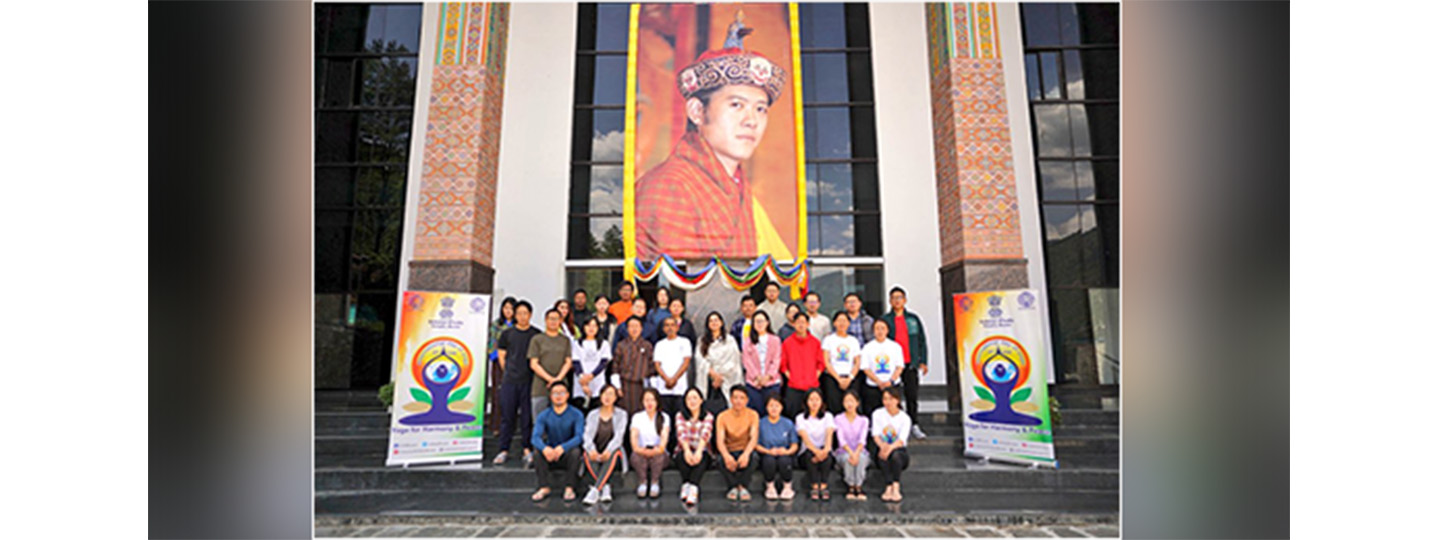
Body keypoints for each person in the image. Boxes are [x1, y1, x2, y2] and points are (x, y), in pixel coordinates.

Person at [633, 22, 792, 260]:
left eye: (760, 109)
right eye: (736, 105)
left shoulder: (739, 186)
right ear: (697, 111)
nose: (752, 121)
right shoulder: (666, 186)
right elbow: (678, 276)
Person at [494, 301, 540, 467]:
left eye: (525, 313)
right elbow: (501, 356)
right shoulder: (507, 334)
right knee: (507, 416)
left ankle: (527, 449)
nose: (522, 316)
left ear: (530, 315)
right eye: (519, 313)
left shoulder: (536, 334)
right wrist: (509, 372)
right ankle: (503, 449)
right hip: (510, 381)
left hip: (529, 381)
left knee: (527, 417)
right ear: (514, 315)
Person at [880, 286, 929, 439]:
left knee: (911, 395)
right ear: (890, 301)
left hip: (910, 363)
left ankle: (913, 424)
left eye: (899, 297)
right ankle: (893, 425)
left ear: (905, 300)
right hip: (892, 366)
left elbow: (921, 340)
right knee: (893, 396)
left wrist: (923, 360)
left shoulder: (913, 319)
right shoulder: (886, 320)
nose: (897, 300)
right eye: (894, 298)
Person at [530, 382, 585, 502]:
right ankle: (544, 487)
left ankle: (570, 487)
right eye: (555, 393)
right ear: (550, 396)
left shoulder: (576, 414)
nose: (558, 396)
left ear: (568, 395)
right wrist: (545, 449)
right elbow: (535, 437)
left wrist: (562, 448)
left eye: (562, 393)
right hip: (550, 455)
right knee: (537, 452)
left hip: (567, 455)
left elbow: (579, 437)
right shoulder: (544, 415)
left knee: (576, 452)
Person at [582, 385, 628, 505]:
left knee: (614, 452)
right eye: (605, 394)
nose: (607, 397)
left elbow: (619, 437)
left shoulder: (621, 414)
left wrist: (608, 450)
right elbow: (587, 436)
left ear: (616, 397)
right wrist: (592, 450)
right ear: (600, 396)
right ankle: (604, 487)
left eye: (611, 394)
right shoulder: (593, 414)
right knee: (586, 453)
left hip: (613, 452)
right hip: (596, 450)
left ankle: (595, 490)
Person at [715, 385, 760, 501]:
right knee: (720, 460)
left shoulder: (753, 415)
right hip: (730, 450)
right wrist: (726, 456)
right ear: (730, 399)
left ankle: (742, 486)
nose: (738, 401)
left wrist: (745, 454)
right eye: (735, 398)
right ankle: (733, 486)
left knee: (754, 457)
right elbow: (720, 440)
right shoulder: (722, 416)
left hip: (745, 449)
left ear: (747, 400)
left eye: (742, 398)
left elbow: (753, 438)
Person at [529, 309, 574, 423]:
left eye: (556, 319)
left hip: (561, 387)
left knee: (560, 423)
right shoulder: (537, 339)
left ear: (560, 321)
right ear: (545, 320)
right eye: (551, 319)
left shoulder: (565, 340)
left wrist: (557, 380)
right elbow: (533, 364)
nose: (553, 322)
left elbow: (568, 362)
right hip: (540, 387)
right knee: (539, 421)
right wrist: (550, 379)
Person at [673, 387, 714, 507]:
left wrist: (698, 452)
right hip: (684, 449)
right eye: (689, 398)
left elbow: (706, 435)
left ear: (701, 400)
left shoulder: (708, 416)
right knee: (682, 458)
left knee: (700, 460)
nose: (692, 401)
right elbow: (681, 434)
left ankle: (693, 488)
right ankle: (686, 485)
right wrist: (687, 451)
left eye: (695, 398)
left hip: (703, 450)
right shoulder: (680, 415)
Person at [871, 386, 912, 502]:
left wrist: (889, 448)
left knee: (895, 455)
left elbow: (901, 440)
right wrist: (883, 446)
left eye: (891, 399)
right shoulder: (877, 414)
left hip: (898, 449)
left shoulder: (905, 418)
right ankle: (888, 486)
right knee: (882, 454)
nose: (888, 402)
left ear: (897, 400)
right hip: (882, 446)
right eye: (885, 399)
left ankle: (896, 485)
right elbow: (876, 435)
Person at [696, 311, 744, 410]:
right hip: (709, 381)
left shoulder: (730, 340)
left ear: (721, 323)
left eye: (716, 320)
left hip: (726, 379)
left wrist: (720, 376)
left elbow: (734, 361)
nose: (714, 323)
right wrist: (713, 374)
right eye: (711, 321)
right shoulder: (702, 341)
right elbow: (699, 360)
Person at [780, 312, 823, 418]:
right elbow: (783, 364)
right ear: (793, 324)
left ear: (808, 324)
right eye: (798, 322)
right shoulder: (787, 343)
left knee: (812, 416)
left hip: (812, 386)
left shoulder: (815, 342)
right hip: (794, 386)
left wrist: (814, 377)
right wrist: (791, 377)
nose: (801, 325)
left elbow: (821, 364)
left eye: (803, 322)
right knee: (792, 415)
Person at [629, 389, 671, 499]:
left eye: (652, 400)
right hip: (641, 451)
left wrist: (654, 451)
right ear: (642, 402)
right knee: (636, 457)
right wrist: (642, 451)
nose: (649, 403)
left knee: (659, 457)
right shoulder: (637, 417)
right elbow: (634, 441)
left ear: (657, 402)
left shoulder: (664, 417)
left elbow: (663, 443)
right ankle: (642, 482)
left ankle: (654, 482)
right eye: (646, 400)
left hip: (658, 452)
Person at [795, 388, 835, 501]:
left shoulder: (828, 416)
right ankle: (814, 486)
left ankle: (824, 486)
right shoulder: (800, 418)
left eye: (817, 399)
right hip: (807, 452)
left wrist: (825, 451)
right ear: (806, 402)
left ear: (822, 401)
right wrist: (817, 452)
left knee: (827, 457)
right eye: (811, 399)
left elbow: (829, 436)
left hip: (823, 450)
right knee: (809, 456)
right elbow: (806, 439)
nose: (814, 402)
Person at [608, 317, 655, 415]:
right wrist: (617, 387)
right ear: (627, 329)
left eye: (637, 326)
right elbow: (615, 366)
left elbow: (651, 368)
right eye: (631, 326)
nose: (634, 329)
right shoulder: (621, 345)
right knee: (624, 413)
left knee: (641, 413)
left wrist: (651, 388)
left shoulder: (647, 346)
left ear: (641, 328)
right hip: (625, 385)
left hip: (641, 386)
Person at [755, 394, 798, 500]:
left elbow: (794, 445)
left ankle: (787, 486)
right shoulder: (761, 423)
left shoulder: (788, 423)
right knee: (769, 461)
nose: (774, 408)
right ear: (766, 407)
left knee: (784, 461)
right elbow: (755, 444)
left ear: (782, 407)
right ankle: (770, 486)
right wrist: (768, 451)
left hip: (784, 454)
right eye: (771, 406)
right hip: (767, 453)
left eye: (777, 405)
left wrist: (786, 451)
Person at [740, 311, 783, 416]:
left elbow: (776, 359)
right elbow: (746, 361)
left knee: (772, 411)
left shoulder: (775, 340)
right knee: (756, 412)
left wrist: (768, 376)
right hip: (754, 383)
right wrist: (757, 377)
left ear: (767, 322)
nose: (759, 324)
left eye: (762, 321)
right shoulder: (748, 341)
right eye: (756, 322)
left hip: (772, 382)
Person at [859, 318, 904, 415]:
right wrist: (878, 382)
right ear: (873, 331)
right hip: (873, 386)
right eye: (877, 328)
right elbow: (865, 368)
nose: (880, 331)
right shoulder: (867, 347)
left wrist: (890, 381)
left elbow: (899, 366)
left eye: (882, 328)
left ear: (887, 330)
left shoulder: (895, 346)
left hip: (892, 385)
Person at [650, 317, 692, 420]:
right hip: (663, 387)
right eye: (667, 325)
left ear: (677, 327)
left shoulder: (685, 342)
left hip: (680, 387)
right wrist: (667, 379)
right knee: (664, 418)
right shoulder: (659, 344)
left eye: (672, 325)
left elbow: (686, 362)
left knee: (679, 417)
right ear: (663, 329)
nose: (670, 328)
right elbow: (657, 364)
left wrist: (674, 379)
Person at [821, 311, 862, 414]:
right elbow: (826, 361)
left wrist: (850, 378)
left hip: (850, 378)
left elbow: (857, 362)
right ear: (834, 323)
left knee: (851, 406)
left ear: (849, 323)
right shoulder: (828, 339)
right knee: (834, 406)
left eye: (844, 321)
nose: (842, 323)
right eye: (839, 320)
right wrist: (838, 378)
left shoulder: (853, 340)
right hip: (832, 378)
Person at [834, 390, 870, 500]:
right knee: (847, 458)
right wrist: (851, 453)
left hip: (860, 450)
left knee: (861, 458)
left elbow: (862, 440)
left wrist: (856, 453)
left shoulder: (864, 420)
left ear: (857, 403)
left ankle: (858, 486)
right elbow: (841, 440)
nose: (849, 404)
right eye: (846, 401)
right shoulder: (838, 419)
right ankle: (850, 485)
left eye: (852, 401)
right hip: (843, 451)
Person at [572, 317, 612, 411]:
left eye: (594, 326)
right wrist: (583, 378)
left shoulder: (604, 344)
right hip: (580, 383)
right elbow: (576, 362)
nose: (591, 328)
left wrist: (591, 376)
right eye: (588, 325)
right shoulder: (577, 343)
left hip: (597, 383)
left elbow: (604, 362)